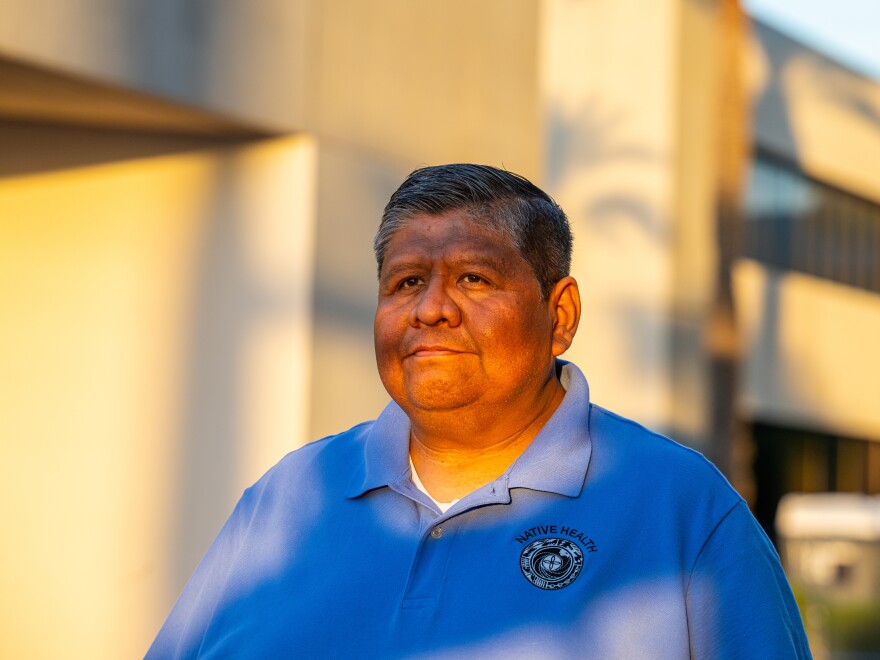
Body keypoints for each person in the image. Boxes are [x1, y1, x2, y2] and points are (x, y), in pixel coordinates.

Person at [147, 164, 811, 658]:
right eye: (407, 282)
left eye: (474, 279)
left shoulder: (683, 510)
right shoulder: (287, 497)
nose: (431, 308)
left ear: (561, 315)